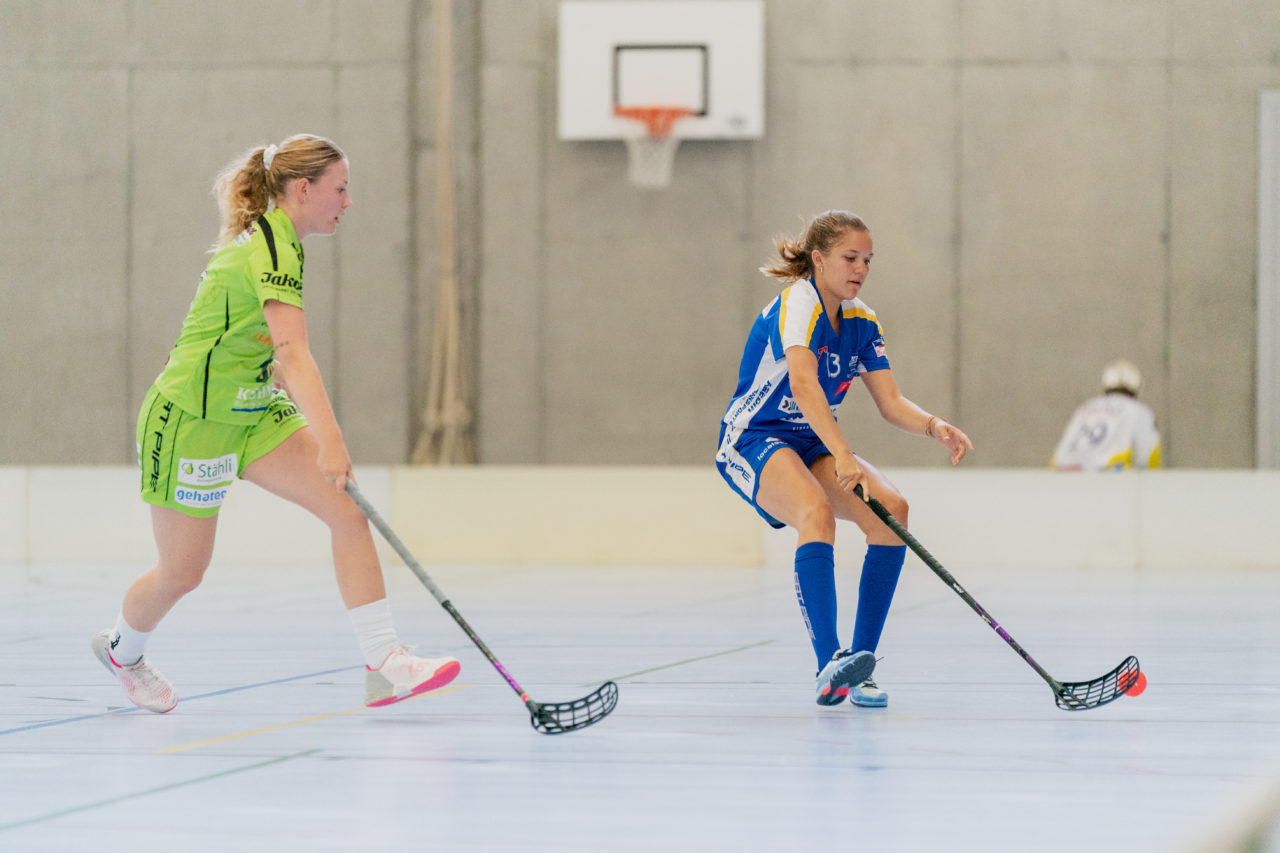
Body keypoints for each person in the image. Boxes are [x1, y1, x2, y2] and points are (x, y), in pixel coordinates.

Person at [92, 134, 460, 713]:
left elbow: (262, 346)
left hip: (254, 410)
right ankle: (123, 652)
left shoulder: (284, 244)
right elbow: (294, 353)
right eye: (340, 189)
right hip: (192, 422)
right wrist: (332, 444)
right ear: (304, 189)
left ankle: (386, 663)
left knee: (347, 511)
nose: (348, 201)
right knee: (182, 574)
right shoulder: (270, 248)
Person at [715, 210, 973, 709]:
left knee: (891, 512)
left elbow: (890, 401)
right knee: (814, 513)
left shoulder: (862, 320)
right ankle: (826, 663)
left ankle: (859, 667)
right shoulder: (798, 305)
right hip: (754, 438)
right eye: (850, 258)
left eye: (868, 261)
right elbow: (803, 383)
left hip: (811, 441)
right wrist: (843, 453)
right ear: (818, 259)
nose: (860, 269)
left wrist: (933, 425)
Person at [1051, 359, 1162, 471]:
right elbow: (1149, 453)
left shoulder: (1086, 407)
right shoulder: (1138, 411)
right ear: (1136, 388)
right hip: (1106, 475)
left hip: (1064, 473)